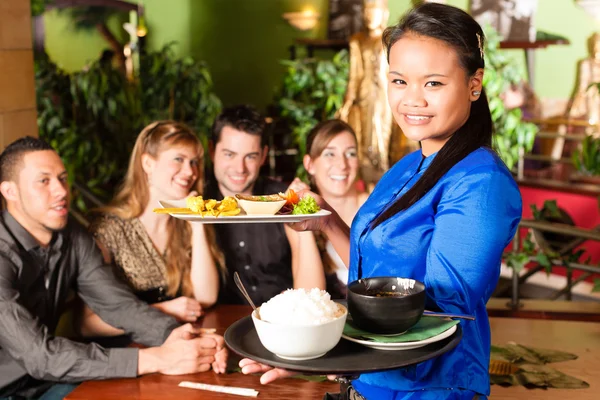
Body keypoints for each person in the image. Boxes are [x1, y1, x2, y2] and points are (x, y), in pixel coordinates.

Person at [240, 3, 522, 399]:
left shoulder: (480, 184)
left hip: (431, 388)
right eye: (399, 81)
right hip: (369, 382)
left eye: (434, 83)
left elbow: (439, 313)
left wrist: (315, 355)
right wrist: (328, 223)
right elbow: (376, 276)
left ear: (475, 83)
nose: (412, 100)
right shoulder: (407, 166)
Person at [0, 137, 227, 399]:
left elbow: (119, 306)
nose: (61, 191)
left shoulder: (73, 237)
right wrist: (154, 358)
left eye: (62, 178)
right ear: (10, 192)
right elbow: (40, 356)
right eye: (44, 181)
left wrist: (183, 337)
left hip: (50, 382)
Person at [79, 121, 225, 339]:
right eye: (179, 159)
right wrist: (164, 310)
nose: (190, 171)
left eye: (194, 162)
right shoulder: (108, 229)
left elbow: (205, 297)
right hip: (128, 355)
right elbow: (87, 324)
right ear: (148, 163)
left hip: (177, 346)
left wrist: (197, 222)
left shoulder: (186, 223)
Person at [204, 105, 325, 306]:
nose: (239, 168)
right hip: (221, 324)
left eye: (250, 156)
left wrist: (301, 212)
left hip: (283, 318)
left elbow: (313, 293)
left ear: (262, 155)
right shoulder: (198, 204)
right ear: (211, 150)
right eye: (229, 154)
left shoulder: (283, 198)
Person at [338, 0, 418, 188]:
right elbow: (354, 76)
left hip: (386, 98)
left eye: (374, 11)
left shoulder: (392, 40)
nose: (369, 15)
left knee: (387, 138)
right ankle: (369, 185)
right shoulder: (357, 41)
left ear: (384, 14)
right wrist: (347, 103)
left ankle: (389, 184)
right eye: (366, 11)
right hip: (365, 99)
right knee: (367, 140)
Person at [297, 119, 369, 298]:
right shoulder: (297, 212)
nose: (342, 165)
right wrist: (301, 215)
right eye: (330, 154)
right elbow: (307, 295)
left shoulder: (375, 205)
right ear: (309, 164)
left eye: (351, 154)